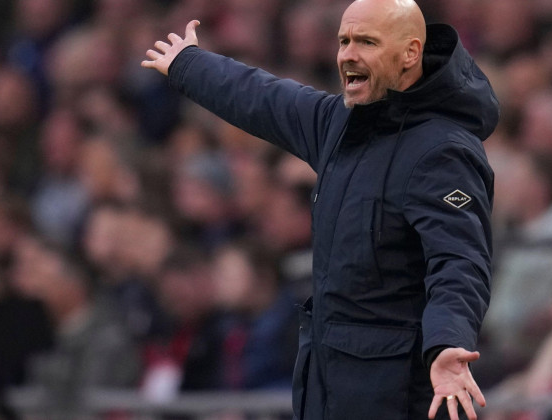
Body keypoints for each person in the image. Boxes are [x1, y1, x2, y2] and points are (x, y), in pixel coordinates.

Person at [141, 0, 498, 419]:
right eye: (344, 40)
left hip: (396, 395)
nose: (348, 54)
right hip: (327, 387)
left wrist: (448, 344)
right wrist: (189, 64)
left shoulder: (443, 151)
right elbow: (264, 97)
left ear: (410, 53)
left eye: (366, 41)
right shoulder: (338, 125)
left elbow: (459, 260)